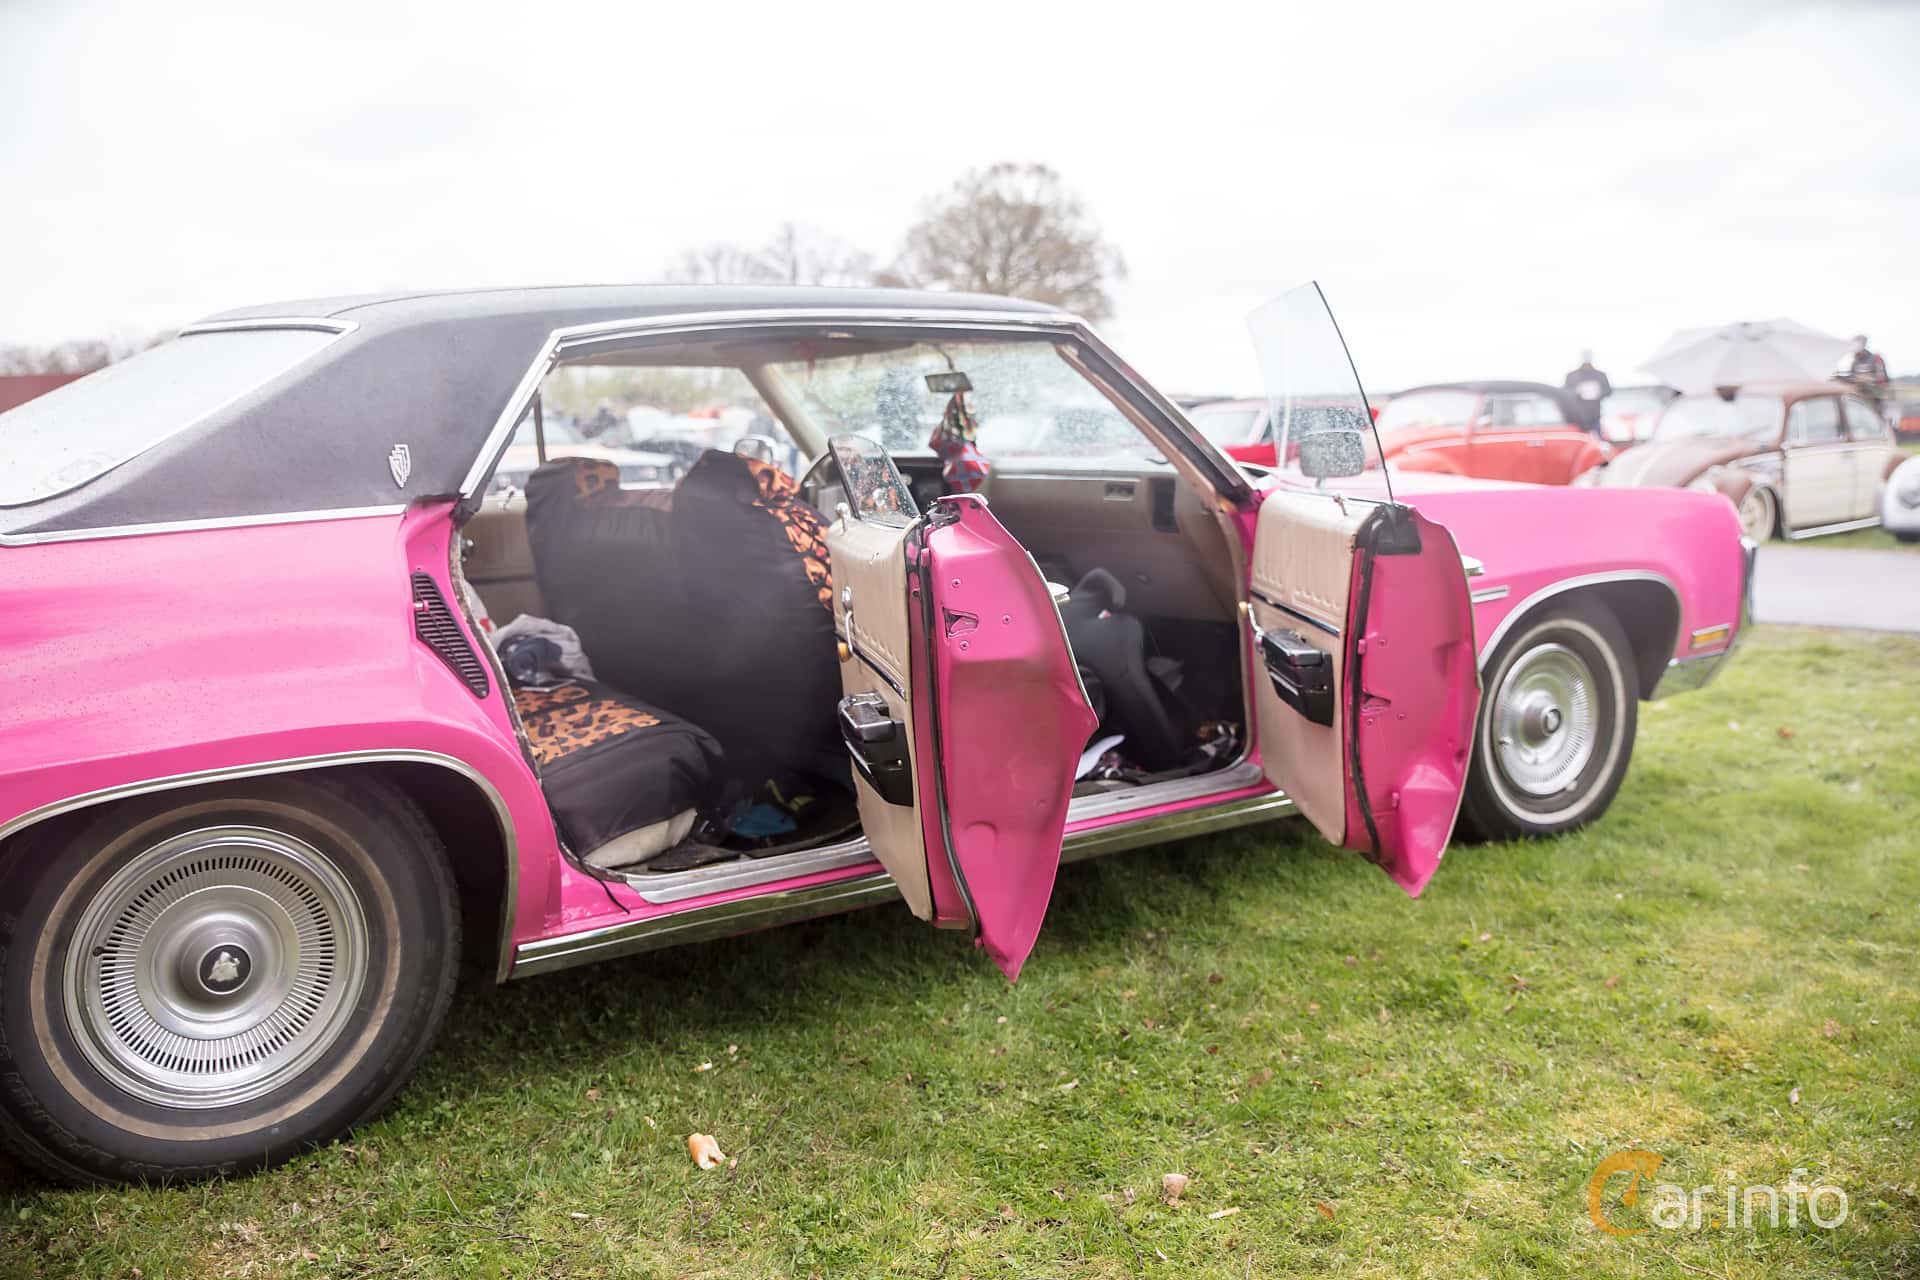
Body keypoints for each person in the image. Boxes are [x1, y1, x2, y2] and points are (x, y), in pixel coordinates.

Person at [1562, 350, 1612, 431]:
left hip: (1595, 416)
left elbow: (1608, 391)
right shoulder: (1572, 376)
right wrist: (1577, 392)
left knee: (1596, 439)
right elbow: (1565, 393)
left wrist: (1597, 393)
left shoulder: (1600, 375)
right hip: (1576, 418)